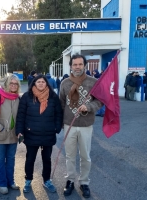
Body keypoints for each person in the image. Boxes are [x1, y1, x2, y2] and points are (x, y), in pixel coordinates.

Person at [59, 54, 102, 198]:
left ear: (85, 65)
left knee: (85, 156)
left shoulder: (93, 82)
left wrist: (89, 106)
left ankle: (84, 182)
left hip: (85, 124)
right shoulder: (65, 83)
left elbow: (100, 101)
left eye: (80, 64)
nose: (77, 67)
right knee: (70, 156)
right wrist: (58, 124)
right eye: (75, 64)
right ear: (71, 66)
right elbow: (61, 104)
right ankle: (70, 180)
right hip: (68, 124)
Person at [16, 74, 63, 194]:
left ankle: (47, 180)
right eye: (38, 82)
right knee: (30, 159)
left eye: (43, 82)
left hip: (48, 134)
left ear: (46, 83)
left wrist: (57, 127)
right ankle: (28, 180)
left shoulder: (53, 97)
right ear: (34, 84)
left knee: (47, 159)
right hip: (31, 134)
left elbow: (59, 113)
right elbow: (21, 116)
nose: (41, 83)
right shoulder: (27, 97)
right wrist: (20, 131)